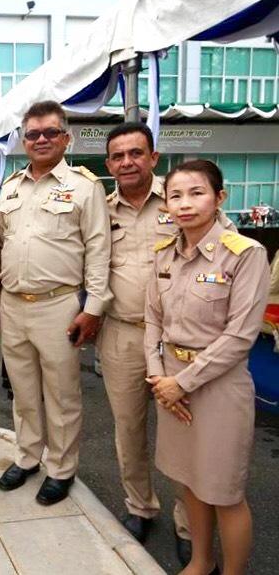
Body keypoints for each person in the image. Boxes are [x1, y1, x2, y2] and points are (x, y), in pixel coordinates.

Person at [145, 159, 270, 575]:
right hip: (169, 382)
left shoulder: (244, 254)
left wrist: (180, 383)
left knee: (224, 492)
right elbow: (152, 320)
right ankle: (201, 562)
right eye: (175, 196)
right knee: (189, 482)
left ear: (219, 198)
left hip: (218, 388)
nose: (184, 204)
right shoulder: (164, 253)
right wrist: (159, 377)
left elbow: (240, 336)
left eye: (196, 193)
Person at [0, 100, 111, 505]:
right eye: (32, 134)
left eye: (50, 132)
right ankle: (27, 457)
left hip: (58, 305)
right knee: (23, 391)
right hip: (13, 304)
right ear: (23, 140)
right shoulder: (10, 188)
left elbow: (98, 250)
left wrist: (92, 308)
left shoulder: (85, 187)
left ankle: (61, 468)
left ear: (66, 138)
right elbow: (0, 244)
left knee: (62, 395)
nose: (41, 139)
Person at [99, 121, 192, 553]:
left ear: (153, 157)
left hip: (177, 340)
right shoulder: (101, 210)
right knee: (128, 428)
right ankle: (139, 506)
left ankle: (189, 523)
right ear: (108, 165)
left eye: (136, 153)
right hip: (122, 333)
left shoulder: (180, 200)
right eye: (118, 156)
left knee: (182, 431)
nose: (127, 162)